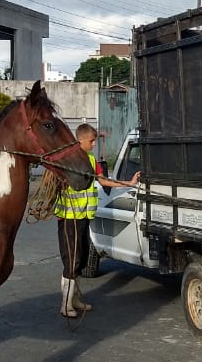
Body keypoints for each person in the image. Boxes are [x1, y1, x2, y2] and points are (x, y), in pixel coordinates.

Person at [54, 123, 140, 318]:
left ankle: (74, 300)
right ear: (80, 140)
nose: (93, 144)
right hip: (68, 218)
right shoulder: (66, 160)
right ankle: (65, 304)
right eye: (91, 141)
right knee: (72, 260)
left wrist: (129, 183)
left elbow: (103, 181)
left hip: (84, 217)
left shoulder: (91, 160)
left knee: (81, 259)